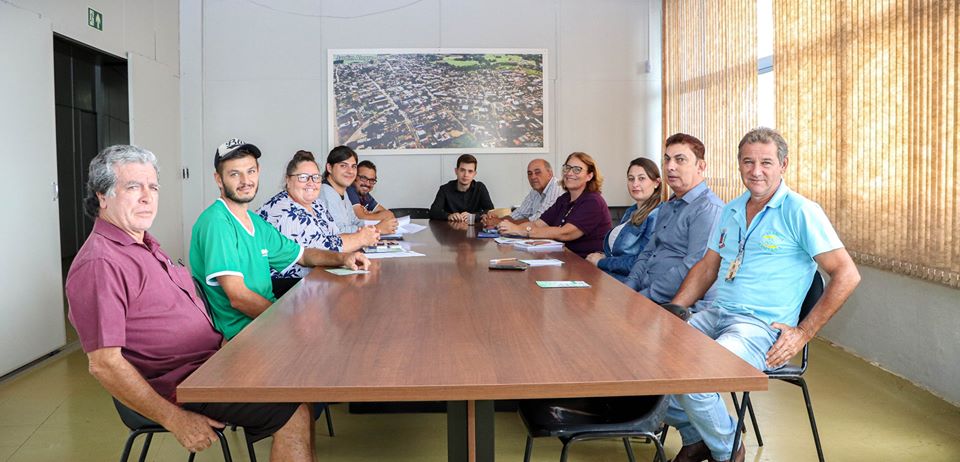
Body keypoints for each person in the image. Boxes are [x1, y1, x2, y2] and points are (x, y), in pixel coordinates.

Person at [65, 145, 315, 461]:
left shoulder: (144, 243)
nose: (147, 197)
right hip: (182, 385)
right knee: (293, 409)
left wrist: (227, 347)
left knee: (300, 380)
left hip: (211, 362)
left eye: (153, 187)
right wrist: (174, 418)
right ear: (102, 196)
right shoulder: (101, 263)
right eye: (133, 187)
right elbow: (104, 364)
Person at [663, 128, 861, 462]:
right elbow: (708, 267)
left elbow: (847, 274)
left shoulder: (801, 211)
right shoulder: (730, 210)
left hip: (760, 329)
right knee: (650, 363)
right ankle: (699, 436)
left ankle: (728, 452)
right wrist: (672, 312)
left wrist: (803, 332)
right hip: (716, 315)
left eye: (766, 162)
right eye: (748, 162)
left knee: (695, 376)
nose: (756, 171)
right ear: (739, 164)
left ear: (783, 165)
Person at [190, 138, 370, 340]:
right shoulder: (217, 222)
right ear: (218, 179)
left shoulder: (255, 222)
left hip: (266, 321)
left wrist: (343, 258)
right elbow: (238, 298)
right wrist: (286, 322)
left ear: (258, 172)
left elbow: (303, 255)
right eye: (234, 174)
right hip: (244, 334)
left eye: (250, 171)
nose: (245, 181)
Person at [623, 133, 724, 304]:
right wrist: (628, 288)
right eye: (667, 159)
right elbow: (647, 253)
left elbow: (693, 268)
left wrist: (644, 297)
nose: (670, 166)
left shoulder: (708, 209)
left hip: (674, 304)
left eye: (680, 160)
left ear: (700, 166)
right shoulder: (667, 206)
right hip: (645, 295)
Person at [257, 150, 380, 278]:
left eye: (316, 177)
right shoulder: (285, 210)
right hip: (289, 284)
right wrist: (360, 239)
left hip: (318, 277)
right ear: (288, 180)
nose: (311, 183)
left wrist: (361, 237)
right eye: (303, 177)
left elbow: (335, 236)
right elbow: (322, 251)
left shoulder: (316, 203)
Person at [497, 152, 612, 258]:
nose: (569, 173)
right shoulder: (564, 199)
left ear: (589, 176)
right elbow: (537, 224)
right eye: (567, 168)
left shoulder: (593, 201)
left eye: (577, 169)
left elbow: (565, 233)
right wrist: (507, 228)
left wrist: (520, 230)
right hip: (563, 260)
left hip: (586, 265)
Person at [585, 157, 662, 281]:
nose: (635, 184)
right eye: (631, 179)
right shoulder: (631, 211)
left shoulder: (656, 215)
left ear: (656, 183)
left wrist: (601, 262)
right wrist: (603, 256)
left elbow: (641, 262)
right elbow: (620, 253)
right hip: (609, 276)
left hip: (628, 283)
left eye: (641, 178)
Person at [320, 146, 397, 234]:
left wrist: (380, 225)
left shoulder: (343, 192)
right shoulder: (325, 194)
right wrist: (377, 228)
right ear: (329, 168)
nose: (350, 171)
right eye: (343, 166)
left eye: (353, 166)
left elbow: (355, 221)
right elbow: (337, 233)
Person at [481, 158, 562, 227]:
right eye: (529, 173)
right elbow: (519, 214)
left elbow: (539, 220)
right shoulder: (535, 191)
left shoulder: (556, 187)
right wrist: (493, 220)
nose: (533, 177)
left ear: (550, 174)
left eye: (537, 172)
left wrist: (499, 222)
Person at [428, 153, 495, 222]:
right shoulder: (445, 189)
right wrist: (448, 216)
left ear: (474, 174)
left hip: (474, 227)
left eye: (470, 171)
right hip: (450, 227)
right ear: (456, 171)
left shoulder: (480, 187)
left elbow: (490, 211)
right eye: (462, 170)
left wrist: (473, 216)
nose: (466, 175)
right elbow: (433, 212)